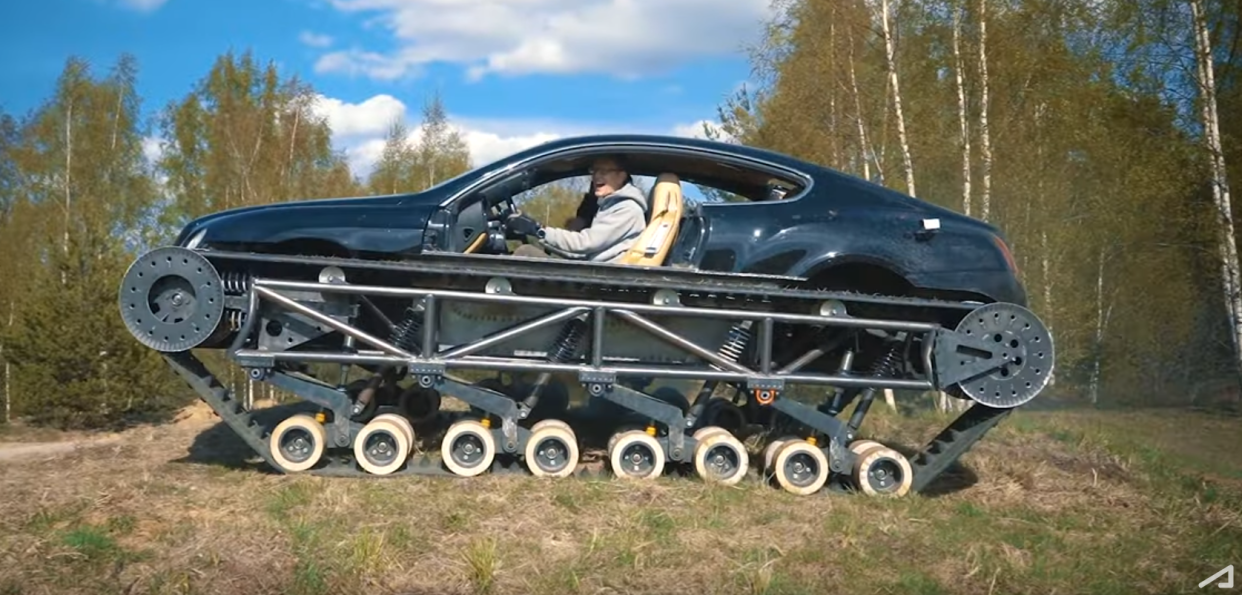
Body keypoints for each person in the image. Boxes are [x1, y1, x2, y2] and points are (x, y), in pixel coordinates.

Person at [505, 156, 648, 263]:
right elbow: (581, 252)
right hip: (592, 271)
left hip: (601, 280)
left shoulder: (627, 209)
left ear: (621, 176)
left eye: (604, 171)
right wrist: (540, 235)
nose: (597, 176)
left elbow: (585, 243)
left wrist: (537, 230)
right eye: (595, 170)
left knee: (525, 253)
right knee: (527, 253)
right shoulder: (610, 205)